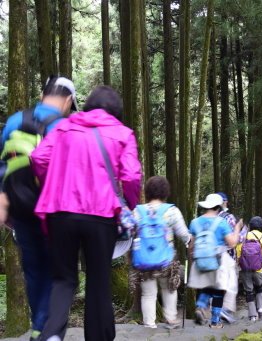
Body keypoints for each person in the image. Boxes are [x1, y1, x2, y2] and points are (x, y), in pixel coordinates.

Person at [31, 86, 142, 341]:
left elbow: (38, 159)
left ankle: (51, 335)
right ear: (116, 112)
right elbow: (132, 175)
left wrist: (54, 185)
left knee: (63, 278)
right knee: (99, 280)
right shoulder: (122, 133)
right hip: (101, 214)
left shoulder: (61, 128)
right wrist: (129, 204)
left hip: (60, 211)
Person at [0, 76, 78, 341]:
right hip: (54, 208)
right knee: (61, 272)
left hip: (20, 206)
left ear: (43, 94)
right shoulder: (66, 126)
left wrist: (3, 199)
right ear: (68, 101)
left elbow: (2, 165)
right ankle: (49, 331)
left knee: (33, 268)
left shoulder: (14, 121)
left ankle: (38, 326)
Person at [133, 176, 191, 329]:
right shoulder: (171, 211)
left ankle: (149, 325)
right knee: (169, 288)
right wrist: (189, 242)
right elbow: (184, 234)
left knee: (148, 294)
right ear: (166, 192)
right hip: (166, 260)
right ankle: (171, 318)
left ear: (148, 192)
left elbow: (130, 233)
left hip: (144, 261)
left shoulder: (138, 212)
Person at [188, 193, 242, 329]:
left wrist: (192, 259)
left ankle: (200, 306)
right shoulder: (221, 222)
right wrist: (237, 229)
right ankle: (215, 322)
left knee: (207, 287)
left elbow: (191, 245)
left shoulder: (195, 222)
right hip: (217, 260)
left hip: (200, 260)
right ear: (218, 207)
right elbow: (232, 243)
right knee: (218, 289)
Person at [237, 216, 262, 321]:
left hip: (245, 268)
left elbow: (238, 253)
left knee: (249, 291)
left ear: (250, 225)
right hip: (259, 269)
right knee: (259, 287)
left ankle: (252, 315)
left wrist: (238, 264)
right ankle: (260, 309)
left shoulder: (243, 236)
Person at [216, 192, 240, 324]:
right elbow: (234, 240)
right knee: (231, 284)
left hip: (211, 257)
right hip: (227, 255)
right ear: (225, 202)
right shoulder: (229, 218)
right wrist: (239, 230)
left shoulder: (207, 218)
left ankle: (214, 311)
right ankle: (225, 310)